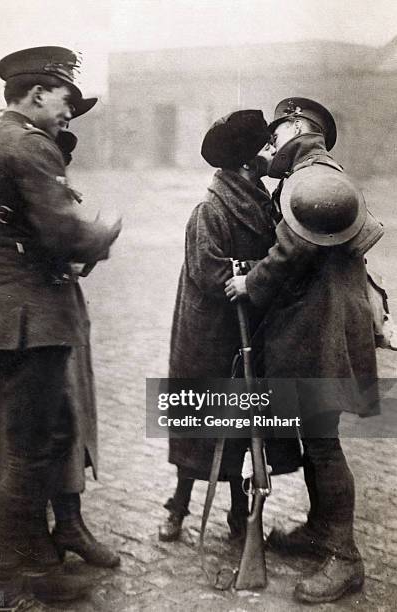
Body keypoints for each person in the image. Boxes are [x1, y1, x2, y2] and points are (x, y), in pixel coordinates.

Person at [0, 46, 121, 608]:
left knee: (53, 432)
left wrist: (1, 249)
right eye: (66, 100)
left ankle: (51, 542)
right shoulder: (32, 147)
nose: (69, 114)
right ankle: (18, 569)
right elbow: (66, 234)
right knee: (30, 449)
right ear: (37, 93)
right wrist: (105, 230)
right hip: (34, 321)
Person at [225, 97, 380, 603]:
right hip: (317, 324)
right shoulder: (308, 175)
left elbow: (296, 246)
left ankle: (345, 557)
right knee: (315, 434)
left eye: (276, 132)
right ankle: (319, 529)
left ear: (297, 127)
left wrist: (252, 283)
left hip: (324, 327)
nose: (270, 143)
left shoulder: (314, 175)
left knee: (322, 442)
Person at [159, 110, 276, 542]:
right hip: (207, 335)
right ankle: (178, 504)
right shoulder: (209, 210)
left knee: (239, 427)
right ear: (247, 161)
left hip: (245, 333)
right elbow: (210, 273)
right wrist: (255, 270)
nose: (270, 153)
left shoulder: (264, 203)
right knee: (199, 424)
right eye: (264, 148)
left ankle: (239, 511)